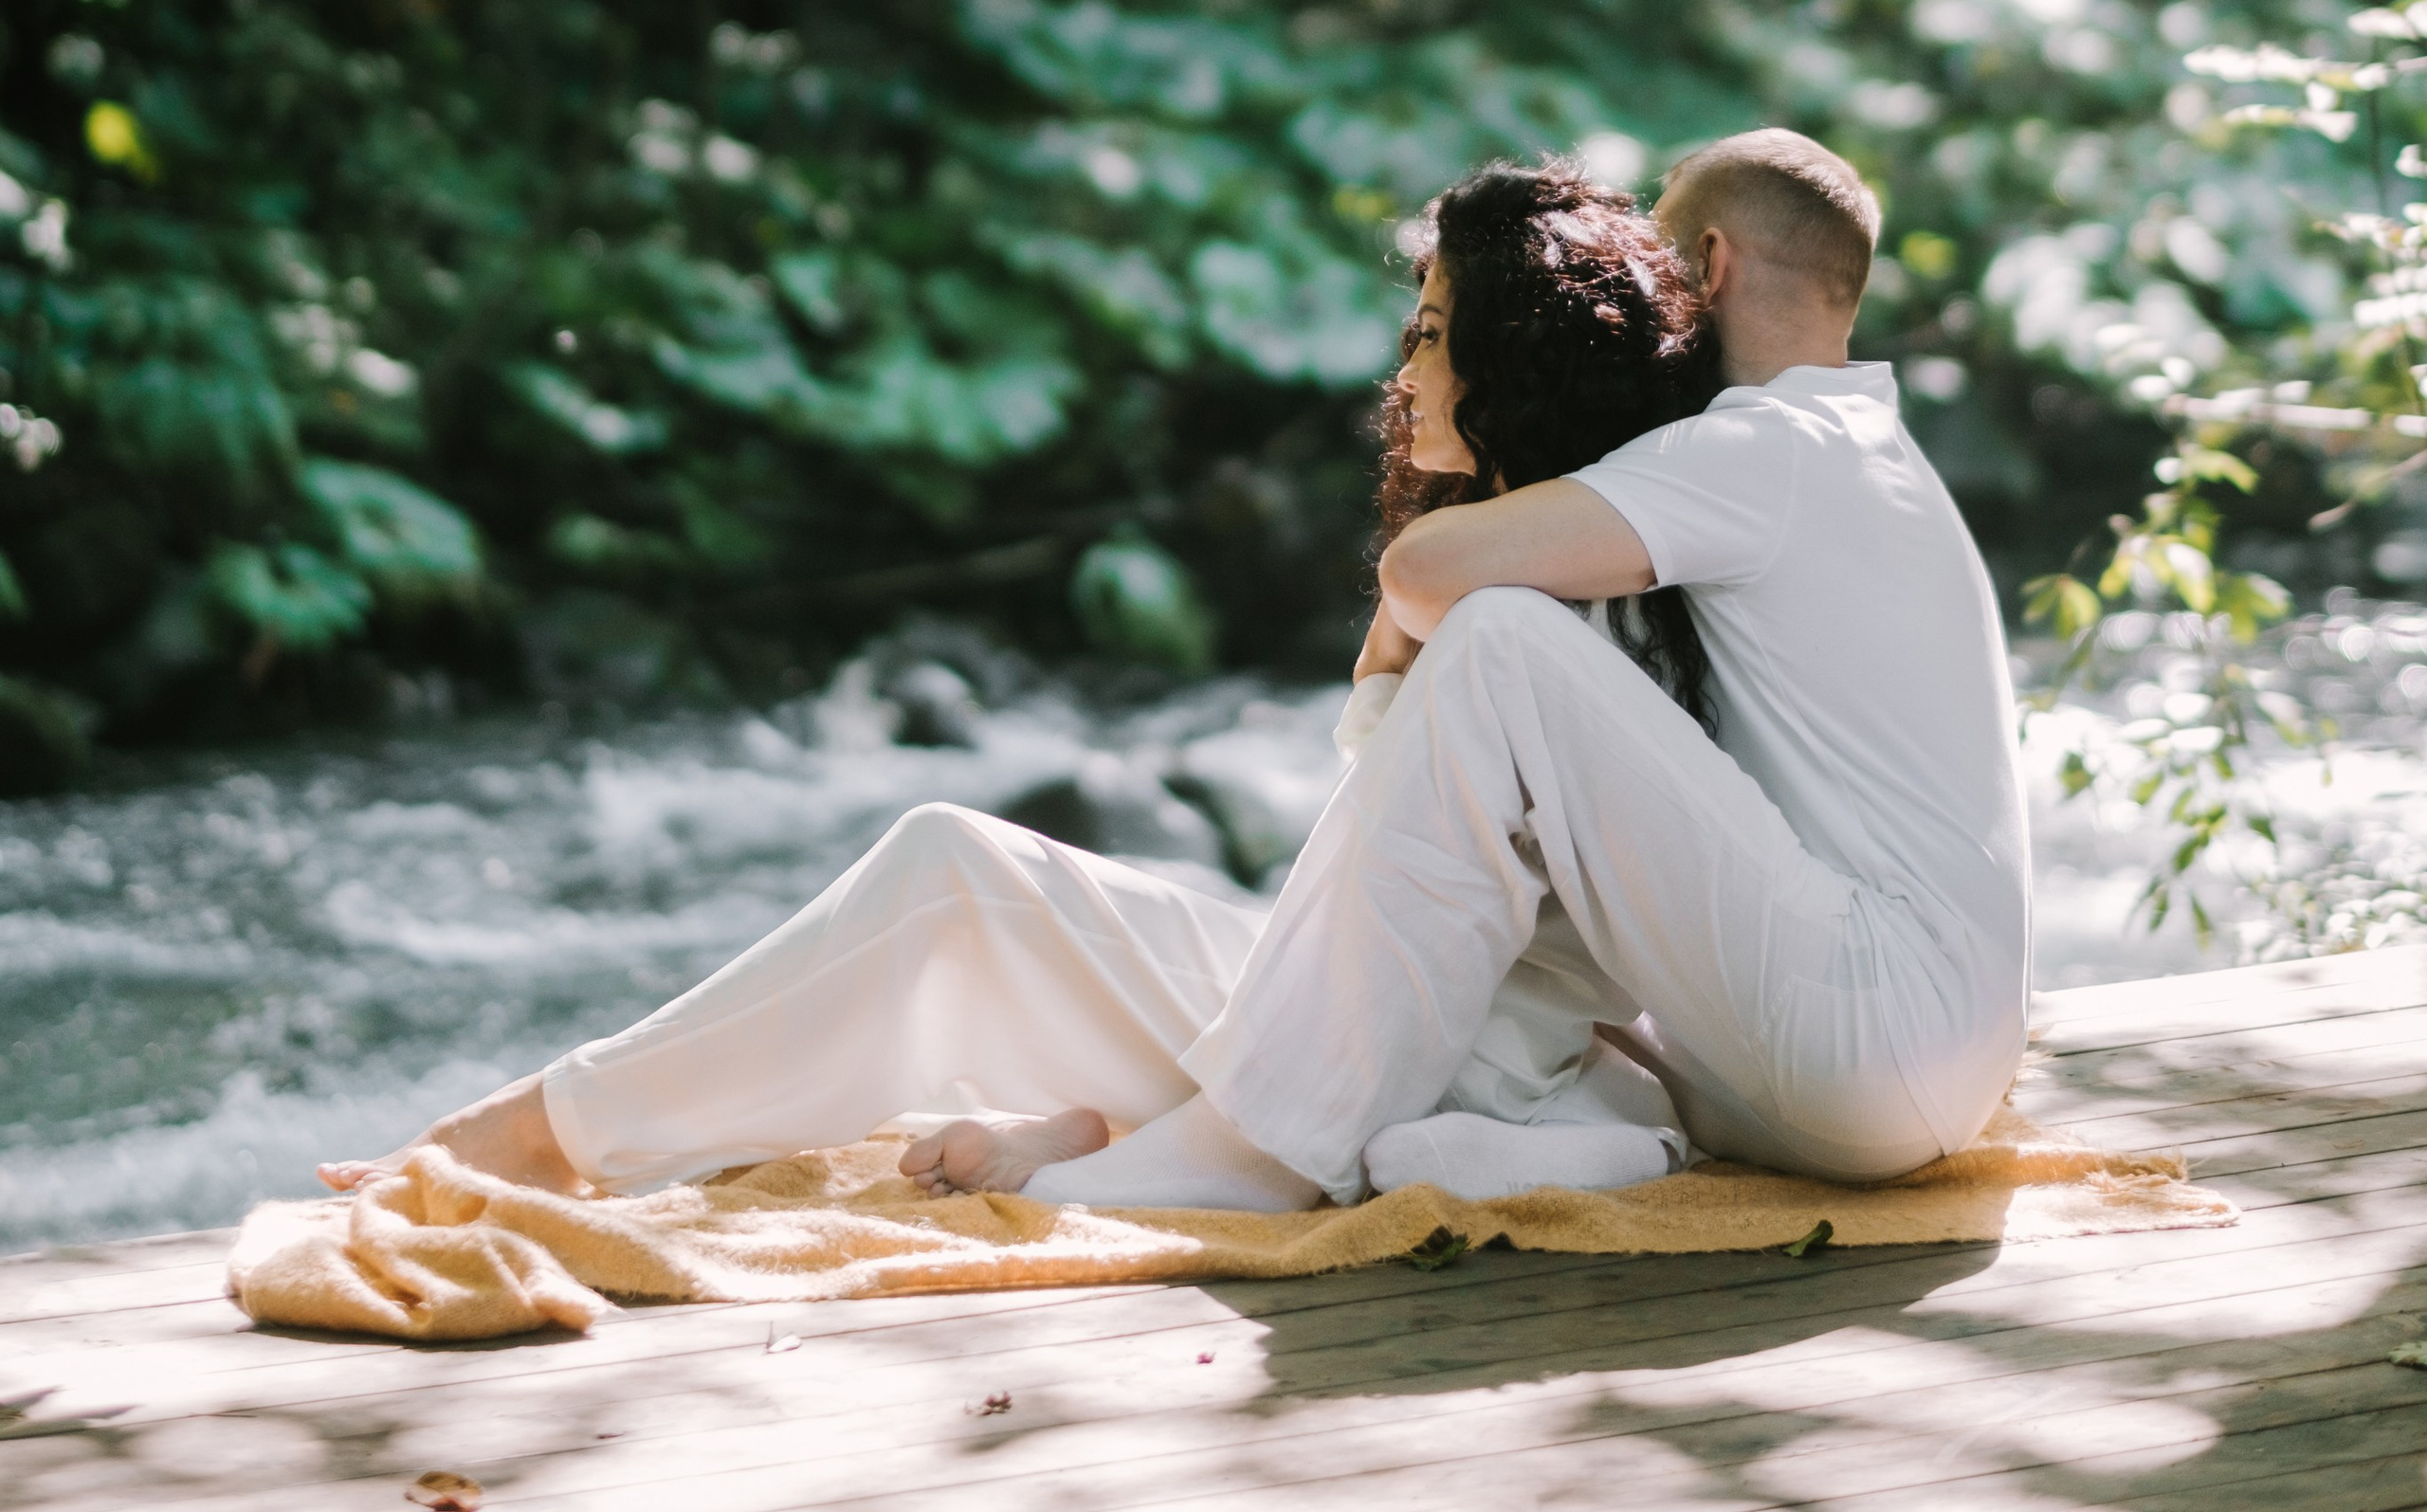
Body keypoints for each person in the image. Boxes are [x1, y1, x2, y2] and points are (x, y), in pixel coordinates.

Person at [318, 128, 2028, 1212]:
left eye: (1433, 334)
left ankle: (1217, 1159)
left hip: (1840, 1040)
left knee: (1494, 632)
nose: (1405, 361)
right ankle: (551, 1133)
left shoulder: (1759, 462)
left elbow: (1439, 592)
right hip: (1709, 1045)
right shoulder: (1724, 501)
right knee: (957, 870)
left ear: (1708, 270)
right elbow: (1412, 897)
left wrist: (1431, 551)